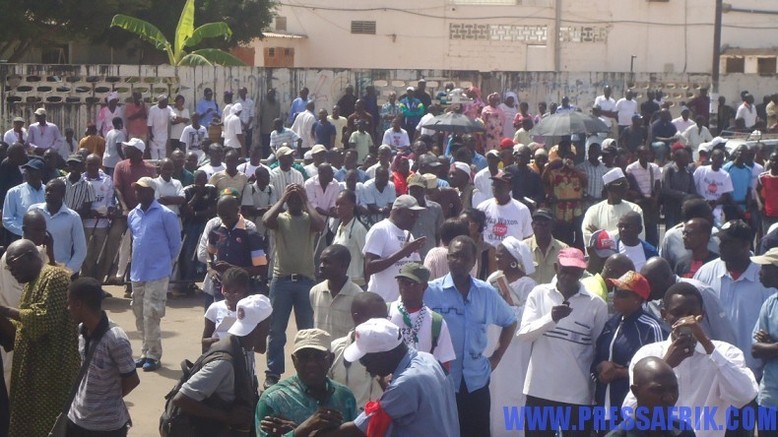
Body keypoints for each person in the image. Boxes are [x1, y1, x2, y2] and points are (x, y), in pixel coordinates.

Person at [622, 282, 758, 437]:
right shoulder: (647, 355)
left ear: (702, 315)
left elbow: (744, 395)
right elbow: (629, 410)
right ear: (664, 314)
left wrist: (707, 345)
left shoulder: (726, 352)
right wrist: (665, 365)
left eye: (691, 314)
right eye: (677, 313)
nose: (685, 320)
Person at [424, 235, 517, 436]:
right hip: (442, 383)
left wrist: (497, 357)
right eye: (454, 256)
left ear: (474, 261)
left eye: (464, 257)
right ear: (447, 258)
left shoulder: (486, 293)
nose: (458, 261)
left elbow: (510, 321)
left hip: (477, 381)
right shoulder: (430, 292)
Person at [519, 247, 608, 437]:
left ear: (582, 272)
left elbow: (597, 348)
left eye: (575, 272)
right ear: (555, 267)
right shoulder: (539, 293)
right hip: (540, 390)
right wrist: (550, 319)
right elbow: (525, 334)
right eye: (564, 270)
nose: (568, 276)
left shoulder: (597, 305)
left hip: (578, 394)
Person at [322, 317, 460, 437]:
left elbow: (360, 429)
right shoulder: (428, 359)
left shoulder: (406, 383)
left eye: (365, 361)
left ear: (382, 355)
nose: (368, 369)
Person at [0, 239, 79, 437]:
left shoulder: (55, 277)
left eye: (13, 264)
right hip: (34, 372)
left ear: (30, 256)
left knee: (49, 427)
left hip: (53, 371)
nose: (11, 271)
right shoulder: (31, 283)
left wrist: (5, 310)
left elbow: (43, 318)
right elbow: (24, 325)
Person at [172, 294, 272, 436]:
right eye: (268, 323)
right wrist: (227, 417)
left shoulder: (244, 347)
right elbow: (182, 399)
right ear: (261, 326)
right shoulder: (224, 363)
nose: (270, 329)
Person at [694, 219, 774, 376]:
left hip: (754, 372)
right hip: (713, 369)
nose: (720, 246)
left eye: (727, 242)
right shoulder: (705, 273)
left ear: (745, 245)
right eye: (720, 241)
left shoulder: (765, 277)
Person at [263, 184, 325, 387]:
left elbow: (321, 224)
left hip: (306, 280)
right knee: (276, 330)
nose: (296, 202)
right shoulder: (281, 219)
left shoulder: (308, 220)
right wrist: (282, 199)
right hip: (281, 280)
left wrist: (306, 199)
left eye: (298, 199)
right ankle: (273, 372)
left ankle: (309, 370)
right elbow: (266, 220)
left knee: (307, 330)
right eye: (293, 199)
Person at [65, 277, 139, 437]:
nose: (67, 308)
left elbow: (132, 380)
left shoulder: (116, 339)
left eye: (69, 303)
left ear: (78, 304)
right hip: (76, 419)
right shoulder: (81, 330)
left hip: (105, 428)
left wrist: (106, 401)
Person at [591, 271, 666, 426]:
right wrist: (602, 367)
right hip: (602, 407)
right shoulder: (611, 323)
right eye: (615, 291)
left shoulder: (651, 327)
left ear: (638, 299)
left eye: (622, 294)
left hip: (632, 411)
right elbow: (596, 359)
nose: (615, 297)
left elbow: (660, 373)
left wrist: (619, 372)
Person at [256, 329, 357, 436]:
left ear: (331, 359)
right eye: (303, 357)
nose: (311, 364)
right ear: (294, 360)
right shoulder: (273, 400)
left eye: (318, 356)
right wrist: (306, 428)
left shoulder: (345, 397)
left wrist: (299, 430)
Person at [128, 177, 182, 372]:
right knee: (138, 312)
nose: (138, 193)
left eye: (142, 190)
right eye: (137, 190)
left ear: (152, 192)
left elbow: (175, 243)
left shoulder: (165, 214)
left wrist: (165, 263)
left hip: (157, 272)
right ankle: (144, 351)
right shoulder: (133, 214)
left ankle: (154, 355)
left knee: (152, 313)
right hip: (138, 271)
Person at [485, 236, 537, 437]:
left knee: (514, 389)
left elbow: (526, 315)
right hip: (493, 340)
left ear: (514, 259)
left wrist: (507, 302)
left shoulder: (528, 285)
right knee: (494, 389)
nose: (497, 260)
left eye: (501, 257)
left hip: (516, 346)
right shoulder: (491, 280)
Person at [199, 194, 268, 305]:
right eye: (221, 216)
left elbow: (261, 268)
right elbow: (209, 253)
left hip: (244, 293)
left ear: (237, 210)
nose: (224, 220)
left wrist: (233, 270)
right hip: (221, 291)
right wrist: (211, 269)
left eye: (228, 216)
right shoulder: (215, 231)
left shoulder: (250, 234)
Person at [329, 292, 387, 411]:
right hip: (341, 424)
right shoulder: (334, 349)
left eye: (385, 318)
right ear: (356, 317)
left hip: (378, 424)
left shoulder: (392, 352)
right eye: (376, 318)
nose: (382, 323)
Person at [605, 357, 693, 437]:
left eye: (673, 389)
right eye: (659, 390)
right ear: (636, 391)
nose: (669, 398)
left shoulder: (684, 432)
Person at [388, 262, 455, 366]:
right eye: (401, 281)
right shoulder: (386, 312)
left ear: (424, 287)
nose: (404, 286)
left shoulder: (436, 322)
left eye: (411, 283)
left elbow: (445, 363)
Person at [363, 195, 426, 303]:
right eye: (411, 214)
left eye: (417, 215)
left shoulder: (408, 235)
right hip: (381, 301)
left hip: (401, 305)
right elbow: (369, 267)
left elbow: (415, 267)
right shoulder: (380, 230)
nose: (415, 219)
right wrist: (404, 252)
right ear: (397, 212)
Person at [29, 178, 88, 275]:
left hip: (59, 272)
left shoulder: (73, 217)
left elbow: (81, 250)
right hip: (34, 271)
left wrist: (67, 272)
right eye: (47, 190)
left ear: (62, 194)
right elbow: (25, 239)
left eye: (51, 190)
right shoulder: (34, 212)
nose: (47, 193)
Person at [310, 244, 363, 340]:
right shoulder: (315, 292)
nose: (321, 266)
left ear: (343, 266)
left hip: (344, 352)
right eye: (321, 261)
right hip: (321, 352)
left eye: (327, 262)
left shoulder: (357, 296)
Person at [751, 247, 778, 437]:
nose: (760, 272)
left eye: (765, 267)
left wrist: (771, 345)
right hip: (770, 398)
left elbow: (765, 348)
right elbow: (755, 349)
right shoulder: (770, 303)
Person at [582, 167, 645, 246]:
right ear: (609, 187)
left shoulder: (635, 209)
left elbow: (636, 237)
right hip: (600, 257)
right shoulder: (593, 210)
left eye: (626, 185)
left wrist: (600, 235)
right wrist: (617, 235)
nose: (625, 188)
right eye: (621, 185)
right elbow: (587, 236)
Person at [477, 171, 533, 249]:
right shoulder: (482, 208)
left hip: (513, 257)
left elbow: (528, 237)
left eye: (500, 185)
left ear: (510, 187)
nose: (496, 187)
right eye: (494, 184)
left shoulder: (522, 210)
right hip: (489, 256)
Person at [201, 267, 251, 352]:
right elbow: (204, 341)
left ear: (245, 291)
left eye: (235, 292)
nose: (229, 295)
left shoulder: (249, 310)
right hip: (219, 354)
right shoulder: (215, 308)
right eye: (226, 290)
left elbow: (258, 347)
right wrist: (217, 341)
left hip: (242, 358)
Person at [2, 157, 46, 239]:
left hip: (44, 238)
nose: (26, 173)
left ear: (41, 173)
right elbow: (7, 219)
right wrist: (25, 232)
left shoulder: (48, 192)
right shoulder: (14, 192)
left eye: (31, 170)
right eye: (26, 170)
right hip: (20, 238)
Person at [333, 190, 369, 287]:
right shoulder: (339, 227)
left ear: (352, 205)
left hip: (356, 284)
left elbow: (367, 257)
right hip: (341, 283)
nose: (338, 207)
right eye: (337, 204)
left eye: (342, 204)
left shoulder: (359, 229)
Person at [626, 146, 661, 246]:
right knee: (640, 231)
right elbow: (629, 188)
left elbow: (658, 186)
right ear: (638, 155)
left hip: (651, 204)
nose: (646, 156)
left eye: (647, 154)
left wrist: (655, 200)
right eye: (643, 154)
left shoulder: (654, 168)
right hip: (639, 203)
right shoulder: (631, 168)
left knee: (652, 232)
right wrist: (640, 196)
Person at [525, 208, 569, 285]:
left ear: (552, 226)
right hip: (529, 295)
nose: (541, 227)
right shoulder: (523, 247)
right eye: (537, 223)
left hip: (554, 295)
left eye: (545, 223)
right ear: (532, 225)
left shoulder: (563, 249)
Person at [146, 95, 175, 160]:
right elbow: (149, 123)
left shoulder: (168, 108)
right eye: (165, 102)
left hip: (164, 136)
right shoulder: (153, 109)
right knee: (154, 153)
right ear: (160, 102)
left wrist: (173, 117)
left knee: (163, 153)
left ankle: (162, 168)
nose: (167, 104)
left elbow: (172, 114)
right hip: (154, 135)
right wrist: (151, 134)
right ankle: (155, 168)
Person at [757, 151, 778, 235]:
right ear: (769, 161)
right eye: (773, 160)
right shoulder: (762, 177)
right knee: (768, 239)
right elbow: (757, 190)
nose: (775, 162)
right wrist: (760, 204)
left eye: (777, 160)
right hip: (768, 215)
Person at [259, 89, 281, 156]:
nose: (270, 95)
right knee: (265, 146)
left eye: (272, 94)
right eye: (269, 94)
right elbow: (260, 115)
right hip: (265, 129)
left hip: (275, 130)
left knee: (275, 146)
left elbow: (278, 115)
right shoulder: (263, 103)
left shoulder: (277, 103)